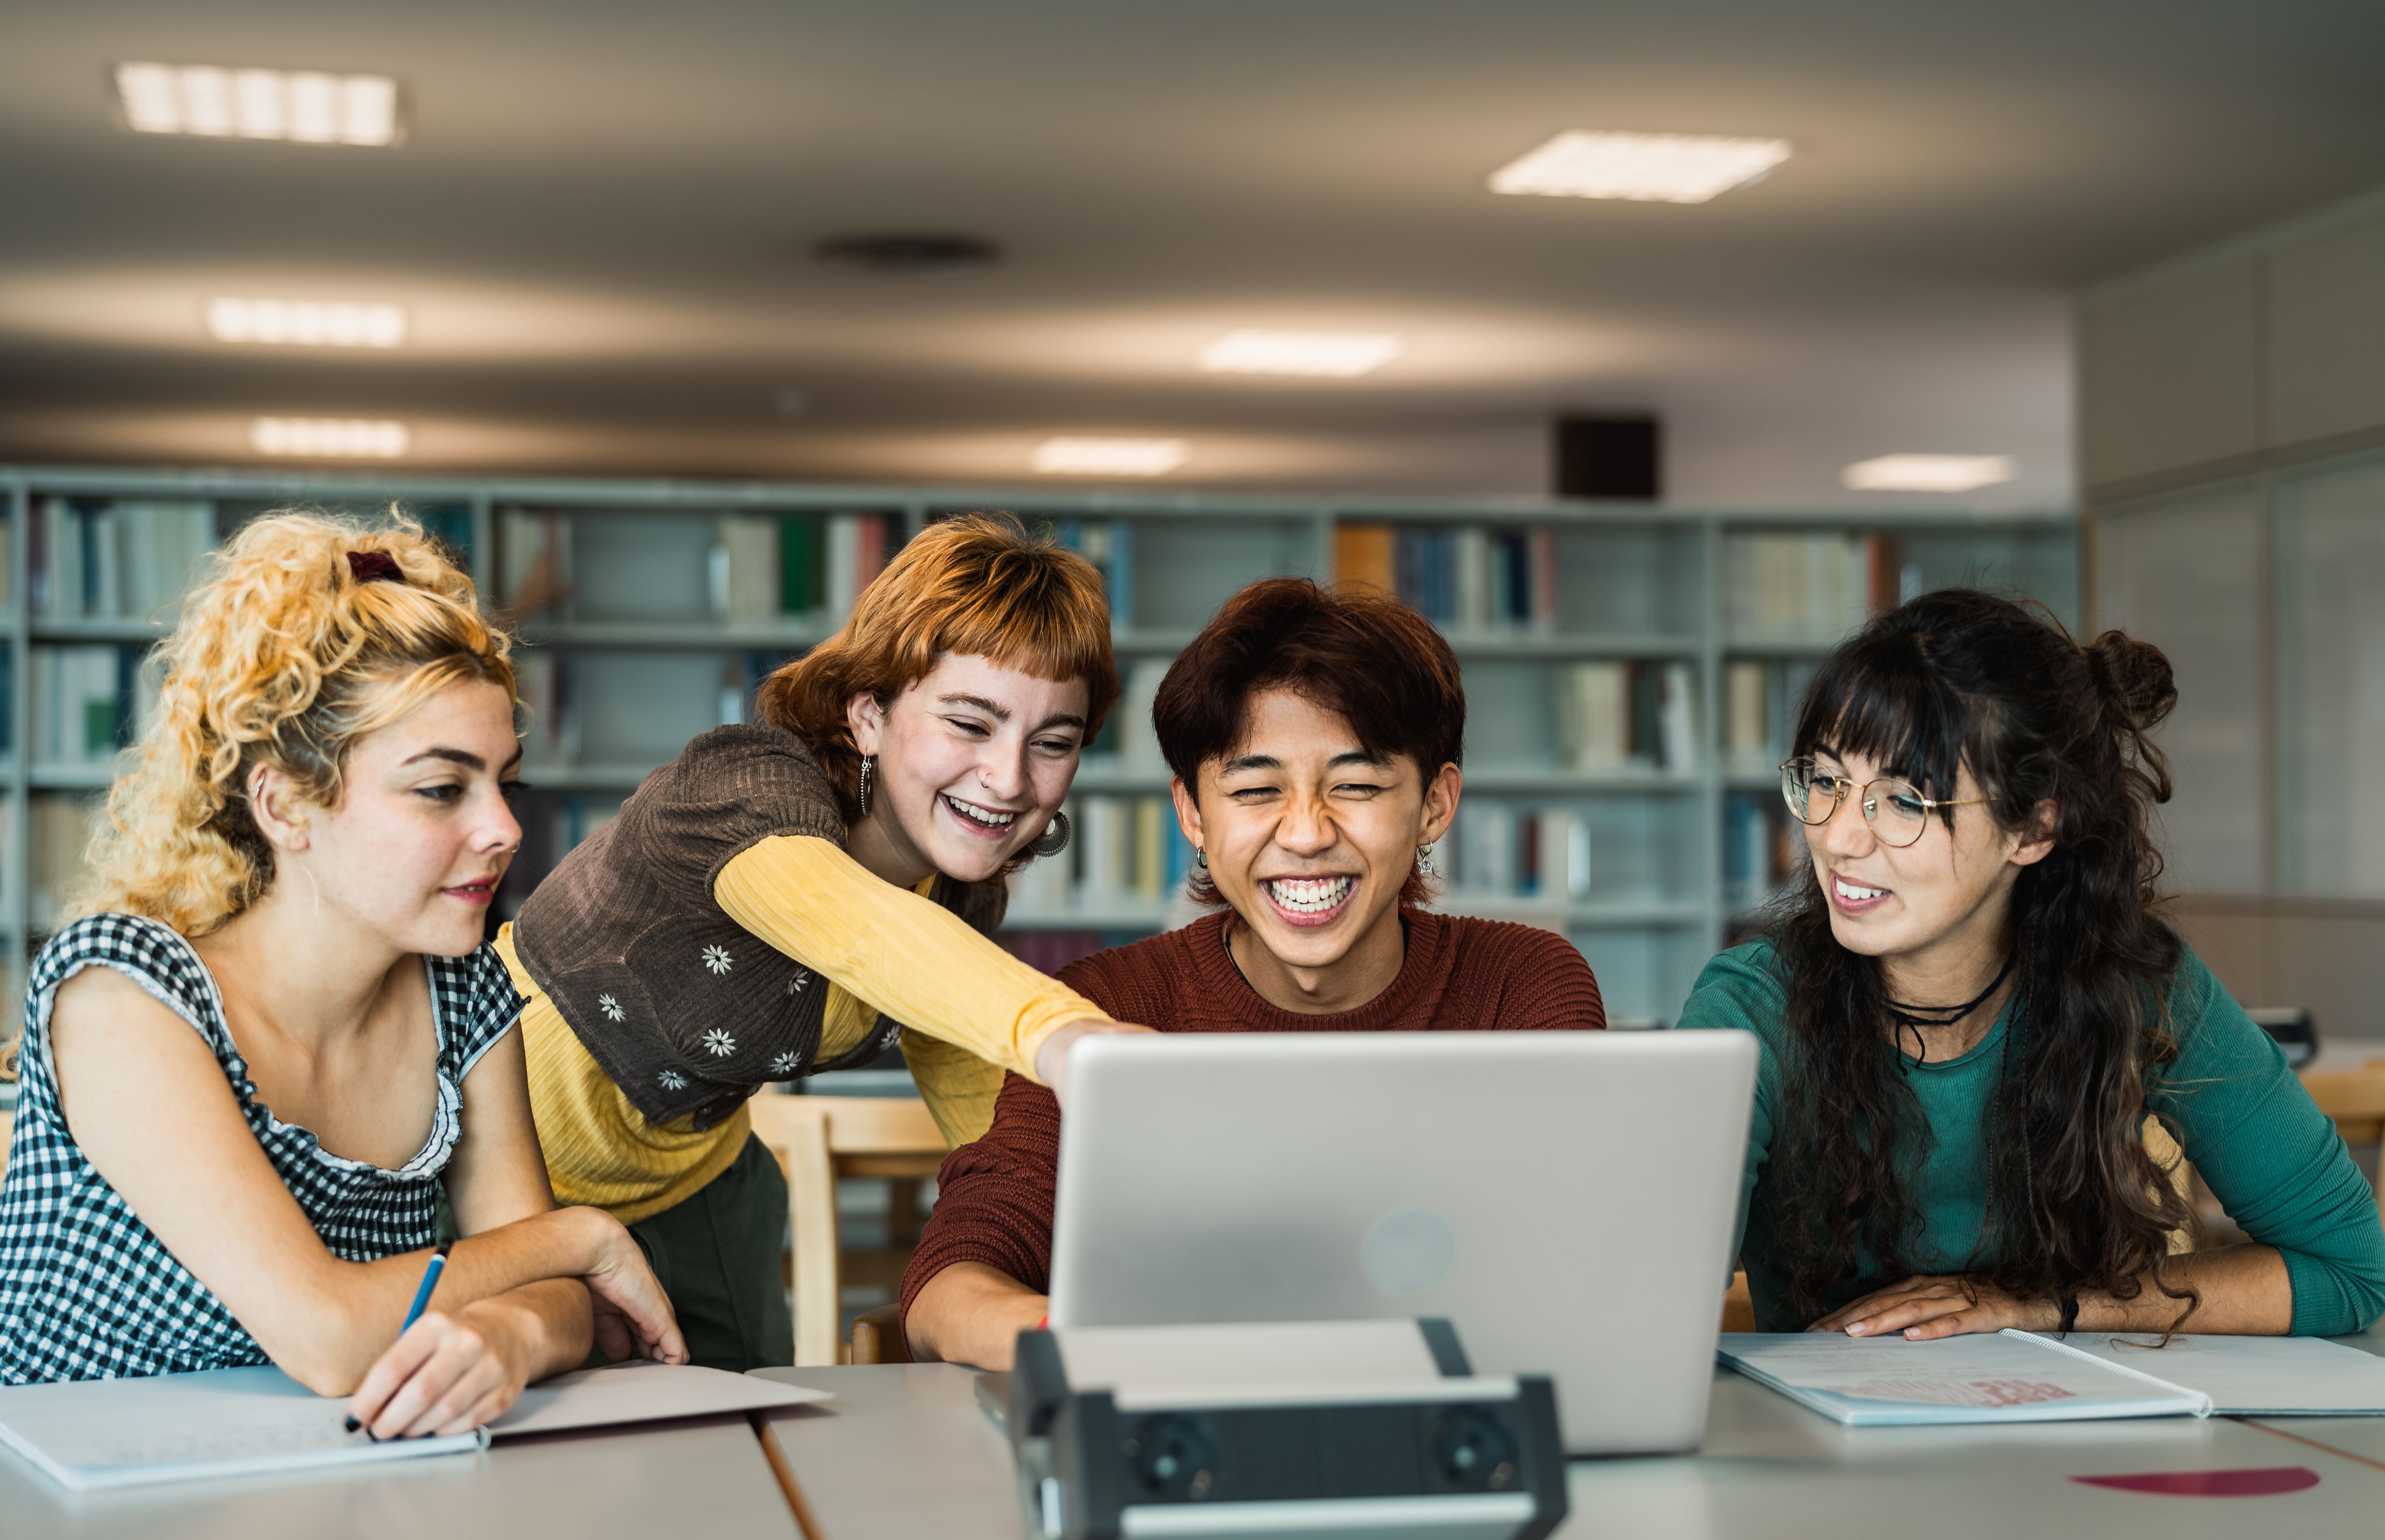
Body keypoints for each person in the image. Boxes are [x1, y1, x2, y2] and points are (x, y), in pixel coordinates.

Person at [0, 514, 685, 1437]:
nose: (505, 829)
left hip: (337, 1476)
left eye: (503, 784)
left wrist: (511, 1334)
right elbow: (327, 1336)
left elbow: (554, 1292)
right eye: (443, 789)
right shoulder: (122, 992)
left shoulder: (464, 989)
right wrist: (582, 1235)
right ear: (286, 805)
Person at [899, 577, 1609, 1369]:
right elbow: (949, 1286)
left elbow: (1576, 1270)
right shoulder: (1105, 1004)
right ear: (1193, 814)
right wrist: (1102, 1348)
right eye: (1257, 789)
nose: (1305, 832)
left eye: (1358, 785)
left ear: (1436, 803)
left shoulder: (1524, 983)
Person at [501, 514, 1148, 1371]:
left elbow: (979, 1109)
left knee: (745, 1452)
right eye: (970, 723)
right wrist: (1069, 1035)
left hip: (696, 1185)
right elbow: (856, 926)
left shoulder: (957, 893)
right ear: (869, 714)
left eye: (1053, 742)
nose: (1010, 778)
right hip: (486, 1162)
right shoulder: (744, 785)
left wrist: (1122, 1241)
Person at [1679, 588, 2385, 1340]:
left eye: (1905, 800)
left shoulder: (2138, 986)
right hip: (1829, 1447)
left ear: (2033, 827)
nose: (1840, 836)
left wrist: (2044, 1305)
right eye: (1826, 781)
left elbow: (2352, 1267)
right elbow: (1646, 1295)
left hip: (2073, 1435)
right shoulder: (1750, 1010)